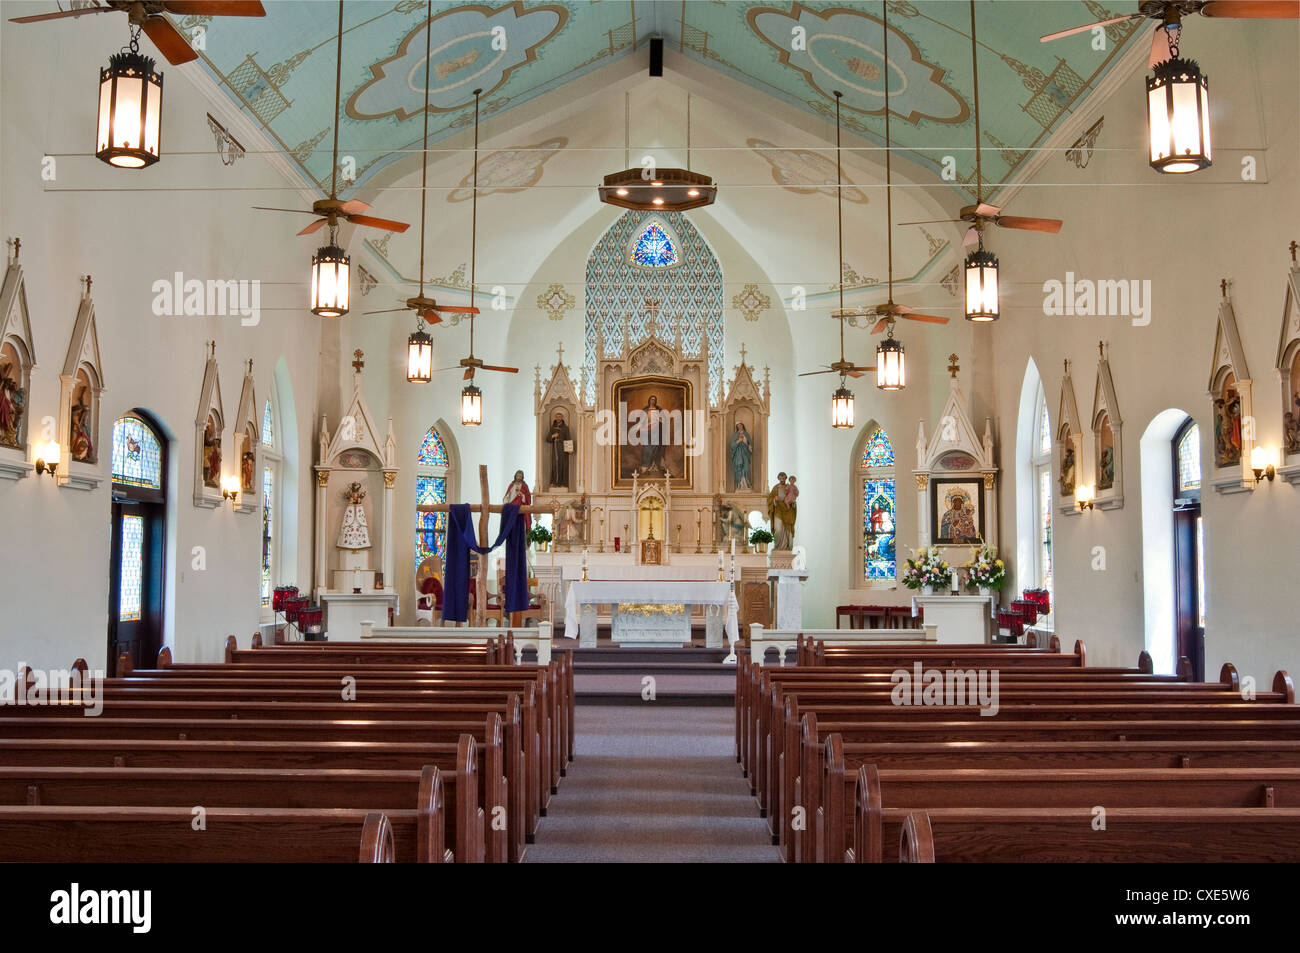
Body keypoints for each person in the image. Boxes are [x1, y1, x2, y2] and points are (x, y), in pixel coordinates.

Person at [337, 482, 371, 550]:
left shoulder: (359, 503)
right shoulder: (350, 503)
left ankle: (361, 543)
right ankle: (347, 543)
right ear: (352, 495)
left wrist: (359, 503)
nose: (355, 496)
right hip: (350, 521)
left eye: (356, 494)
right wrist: (350, 503)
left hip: (359, 522)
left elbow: (361, 513)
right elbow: (348, 514)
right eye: (354, 494)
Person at [767, 472, 794, 550]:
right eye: (780, 478)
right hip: (778, 510)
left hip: (787, 510)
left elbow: (793, 496)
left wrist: (793, 503)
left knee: (787, 530)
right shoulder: (776, 488)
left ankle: (786, 546)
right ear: (778, 478)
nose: (782, 480)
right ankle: (778, 546)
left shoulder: (789, 487)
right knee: (778, 529)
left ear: (786, 478)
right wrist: (774, 500)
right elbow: (770, 498)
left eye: (783, 478)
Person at [545, 412, 571, 489]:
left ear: (562, 418)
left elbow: (568, 438)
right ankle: (554, 482)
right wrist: (553, 436)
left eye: (560, 417)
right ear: (555, 418)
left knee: (563, 465)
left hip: (563, 449)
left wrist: (569, 449)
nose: (558, 418)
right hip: (555, 449)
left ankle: (563, 483)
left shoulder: (565, 428)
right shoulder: (552, 428)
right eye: (557, 417)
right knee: (555, 465)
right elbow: (548, 439)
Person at [728, 422, 753, 491]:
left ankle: (747, 484)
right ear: (736, 427)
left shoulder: (746, 434)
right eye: (738, 426)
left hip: (745, 453)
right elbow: (732, 446)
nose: (739, 427)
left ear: (743, 426)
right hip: (738, 454)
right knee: (738, 468)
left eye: (741, 425)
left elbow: (750, 443)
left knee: (746, 469)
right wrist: (738, 441)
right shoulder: (735, 435)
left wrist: (750, 446)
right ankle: (740, 484)